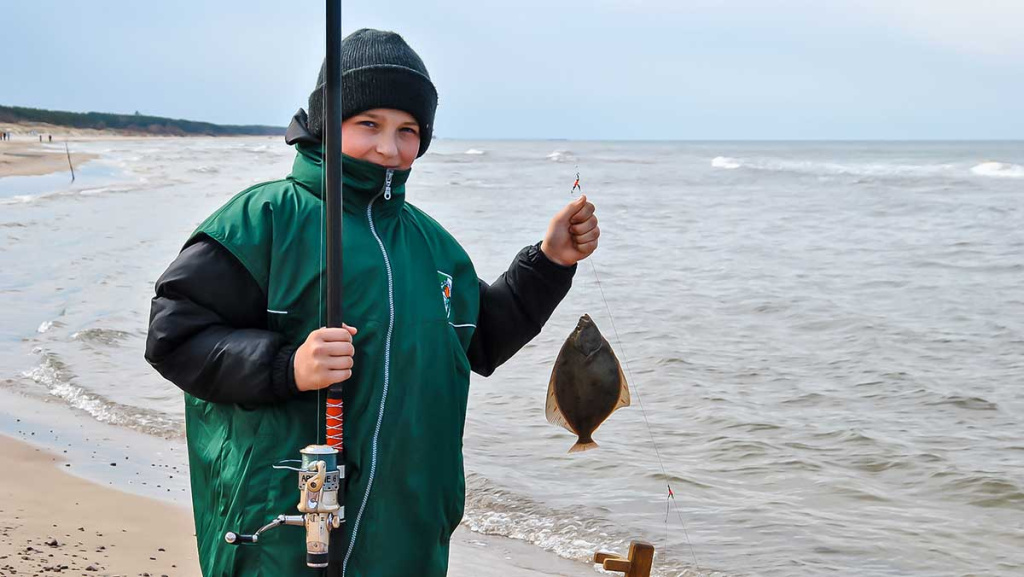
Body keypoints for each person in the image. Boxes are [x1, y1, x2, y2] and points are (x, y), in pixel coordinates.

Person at [145, 28, 600, 577]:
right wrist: (286, 366)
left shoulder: (434, 245)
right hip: (283, 525)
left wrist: (549, 263)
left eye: (408, 130)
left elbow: (479, 342)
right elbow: (175, 336)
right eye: (369, 124)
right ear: (324, 123)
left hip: (407, 526)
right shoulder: (263, 219)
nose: (389, 147)